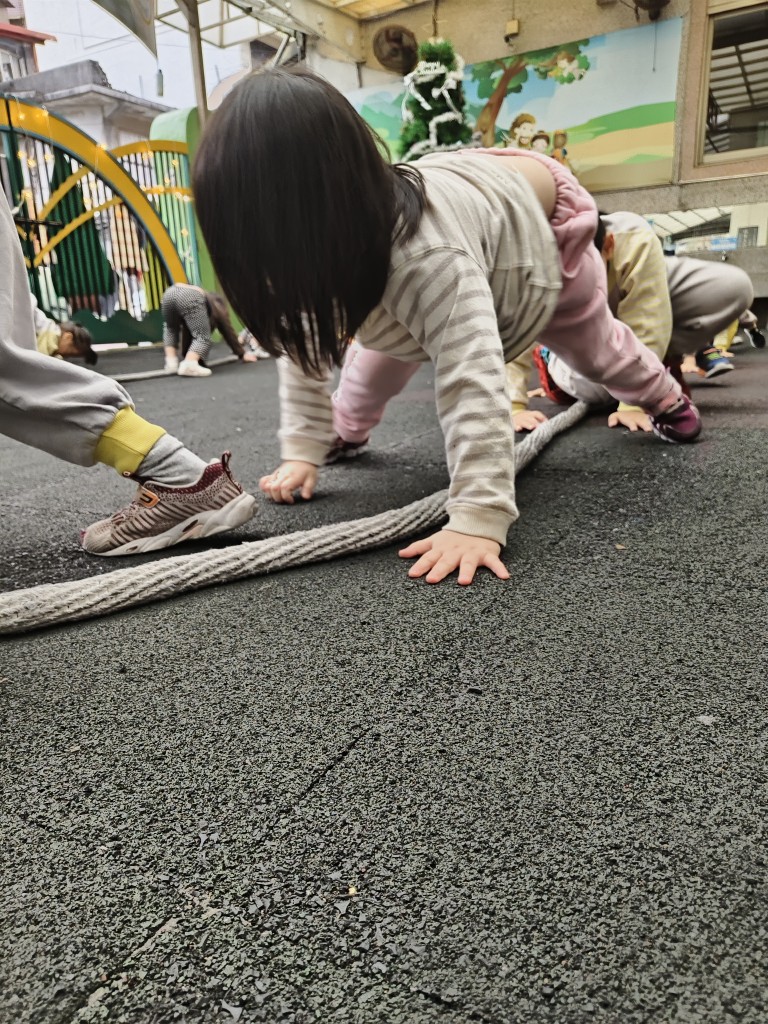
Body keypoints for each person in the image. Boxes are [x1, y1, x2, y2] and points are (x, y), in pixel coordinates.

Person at [191, 66, 699, 586]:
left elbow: (471, 376)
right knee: (368, 372)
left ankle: (665, 397)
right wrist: (304, 450)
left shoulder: (425, 256)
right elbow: (305, 352)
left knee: (597, 350)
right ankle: (342, 432)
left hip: (538, 241)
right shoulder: (300, 257)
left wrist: (479, 515)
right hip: (462, 209)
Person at [0, 188, 257, 556]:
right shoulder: (207, 302)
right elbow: (209, 334)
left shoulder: (197, 301)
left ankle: (177, 474)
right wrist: (240, 353)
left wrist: (177, 356)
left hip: (171, 295)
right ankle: (183, 382)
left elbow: (178, 330)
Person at [527, 212, 755, 432]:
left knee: (734, 287)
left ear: (608, 246)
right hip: (580, 341)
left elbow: (649, 321)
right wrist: (516, 406)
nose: (581, 282)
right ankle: (550, 358)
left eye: (585, 272)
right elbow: (513, 325)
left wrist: (634, 404)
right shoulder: (529, 258)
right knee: (599, 392)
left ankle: (658, 366)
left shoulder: (632, 238)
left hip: (624, 314)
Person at [161, 283, 259, 377]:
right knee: (202, 336)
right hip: (190, 296)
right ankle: (190, 364)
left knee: (171, 328)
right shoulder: (217, 305)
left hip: (169, 293)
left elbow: (187, 335)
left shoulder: (204, 303)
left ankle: (171, 363)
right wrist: (242, 354)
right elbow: (228, 330)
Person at [32, 294, 98, 366]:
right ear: (68, 337)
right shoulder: (38, 322)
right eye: (69, 353)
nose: (65, 356)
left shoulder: (52, 355)